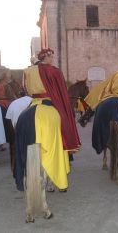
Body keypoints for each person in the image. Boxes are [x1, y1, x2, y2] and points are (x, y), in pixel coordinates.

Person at [15, 48, 81, 191]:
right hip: (49, 104)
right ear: (44, 57)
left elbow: (25, 89)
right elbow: (62, 92)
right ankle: (58, 172)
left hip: (33, 104)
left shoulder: (28, 71)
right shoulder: (54, 71)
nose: (52, 59)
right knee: (63, 127)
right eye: (50, 56)